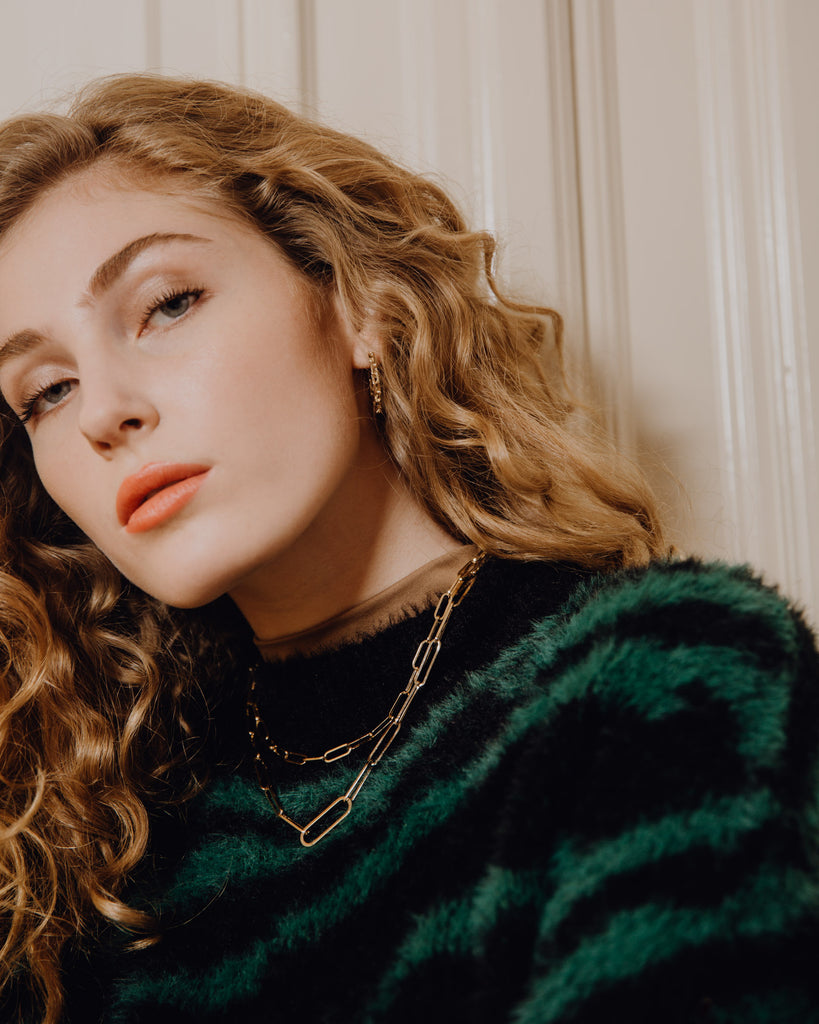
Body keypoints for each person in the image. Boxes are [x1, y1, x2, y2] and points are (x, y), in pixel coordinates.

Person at [0, 74, 816, 1024]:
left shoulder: (659, 676)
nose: (102, 412)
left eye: (169, 303)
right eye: (46, 391)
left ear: (363, 306)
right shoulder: (85, 834)